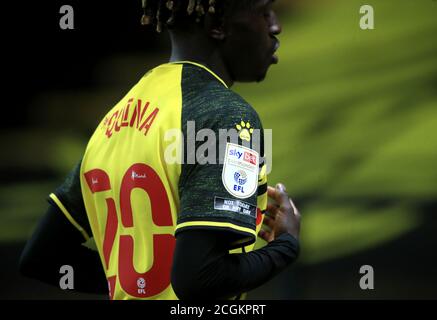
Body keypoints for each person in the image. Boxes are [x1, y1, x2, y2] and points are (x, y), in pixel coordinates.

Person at [19, 0, 301, 300]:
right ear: (217, 25)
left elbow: (43, 257)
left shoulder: (114, 121)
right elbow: (201, 279)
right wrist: (286, 245)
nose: (275, 25)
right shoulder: (225, 116)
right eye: (264, 10)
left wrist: (142, 278)